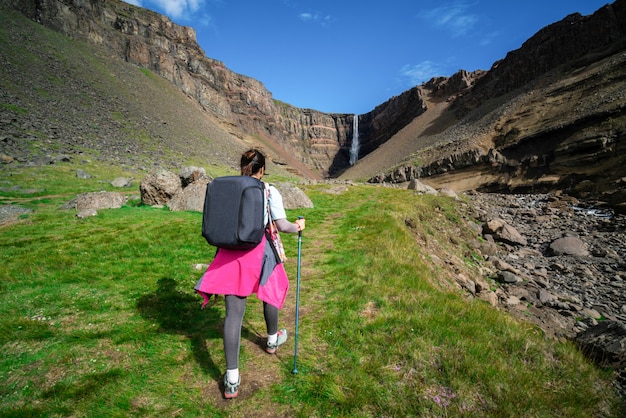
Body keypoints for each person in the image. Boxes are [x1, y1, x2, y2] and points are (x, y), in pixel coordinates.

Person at [195, 149, 306, 399]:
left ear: (243, 166)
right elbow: (281, 225)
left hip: (229, 254)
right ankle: (271, 340)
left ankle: (231, 379)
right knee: (270, 293)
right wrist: (298, 226)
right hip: (259, 250)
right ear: (262, 169)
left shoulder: (227, 187)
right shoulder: (268, 190)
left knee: (233, 314)